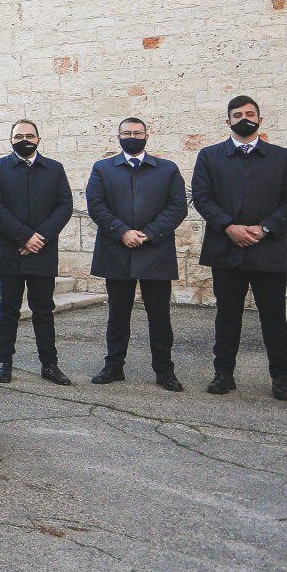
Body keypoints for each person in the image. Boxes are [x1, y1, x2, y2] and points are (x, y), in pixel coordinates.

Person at [192, 94, 287, 400]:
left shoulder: (280, 157)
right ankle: (223, 375)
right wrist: (228, 226)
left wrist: (265, 227)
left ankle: (281, 378)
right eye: (238, 114)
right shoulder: (209, 156)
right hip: (226, 249)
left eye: (250, 113)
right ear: (227, 120)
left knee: (273, 317)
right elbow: (201, 197)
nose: (245, 118)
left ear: (260, 119)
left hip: (268, 249)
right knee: (227, 316)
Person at [84, 117, 189, 391]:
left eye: (137, 132)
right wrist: (121, 232)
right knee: (118, 315)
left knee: (160, 316)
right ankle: (114, 366)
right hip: (117, 251)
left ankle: (164, 370)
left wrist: (149, 233)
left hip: (155, 252)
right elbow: (96, 205)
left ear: (147, 135)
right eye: (127, 133)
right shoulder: (102, 169)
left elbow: (178, 206)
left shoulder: (167, 169)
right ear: (118, 137)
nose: (132, 136)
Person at [0, 119, 74, 385]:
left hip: (42, 251)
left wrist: (38, 238)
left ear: (38, 140)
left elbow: (64, 206)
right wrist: (24, 236)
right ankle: (4, 362)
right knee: (8, 309)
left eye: (29, 136)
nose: (24, 140)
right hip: (10, 251)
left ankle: (50, 365)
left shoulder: (54, 169)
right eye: (19, 136)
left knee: (43, 309)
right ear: (10, 140)